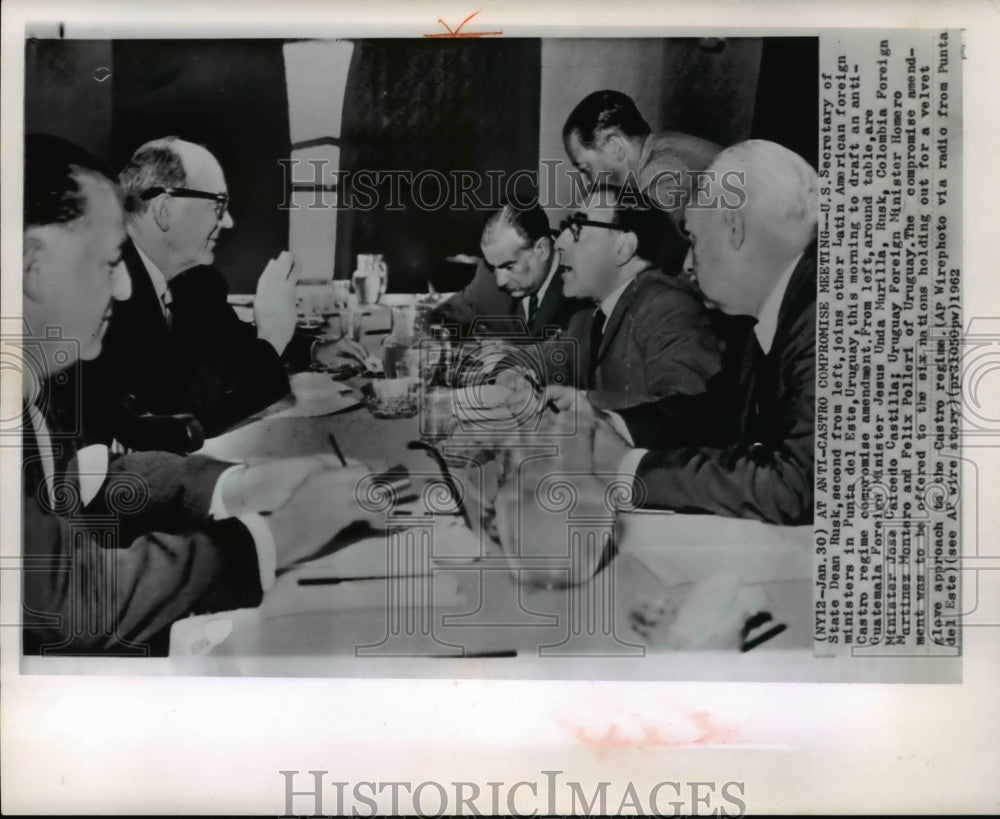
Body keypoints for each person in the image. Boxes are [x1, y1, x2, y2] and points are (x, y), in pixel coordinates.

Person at [21, 134, 378, 655]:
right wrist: (279, 535)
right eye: (105, 263)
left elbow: (87, 478)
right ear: (32, 268)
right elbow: (74, 600)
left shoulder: (34, 383)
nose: (122, 289)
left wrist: (236, 486)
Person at [543, 139, 818, 525]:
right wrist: (608, 422)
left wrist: (628, 468)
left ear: (734, 229)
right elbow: (707, 414)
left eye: (693, 239)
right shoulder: (775, 316)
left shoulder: (822, 314)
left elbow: (794, 485)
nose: (688, 264)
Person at [73, 136, 357, 443]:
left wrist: (312, 349)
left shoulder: (196, 281)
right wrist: (273, 335)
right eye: (218, 205)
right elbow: (179, 413)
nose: (229, 222)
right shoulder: (107, 288)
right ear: (165, 209)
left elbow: (230, 346)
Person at [535, 187, 720, 408]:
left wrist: (584, 402)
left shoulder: (668, 308)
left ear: (624, 247)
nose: (558, 244)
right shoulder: (586, 321)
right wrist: (518, 371)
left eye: (576, 229)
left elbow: (686, 408)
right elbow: (544, 361)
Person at [430, 203, 590, 341]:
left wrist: (508, 355)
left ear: (542, 249)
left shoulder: (586, 282)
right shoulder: (488, 276)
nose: (500, 281)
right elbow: (446, 316)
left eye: (509, 267)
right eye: (494, 267)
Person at [562, 90, 722, 221]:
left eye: (585, 168)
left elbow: (658, 255)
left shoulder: (662, 174)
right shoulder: (662, 145)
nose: (586, 181)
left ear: (615, 145)